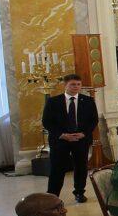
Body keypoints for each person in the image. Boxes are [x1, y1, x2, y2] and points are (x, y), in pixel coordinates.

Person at [42, 73, 98, 203]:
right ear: (65, 85)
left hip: (80, 139)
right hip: (60, 139)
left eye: (78, 84)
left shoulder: (88, 101)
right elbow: (47, 121)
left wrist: (84, 133)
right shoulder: (53, 102)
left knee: (81, 167)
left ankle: (79, 192)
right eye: (73, 84)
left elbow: (93, 120)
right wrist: (62, 135)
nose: (76, 87)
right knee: (57, 168)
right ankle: (53, 196)